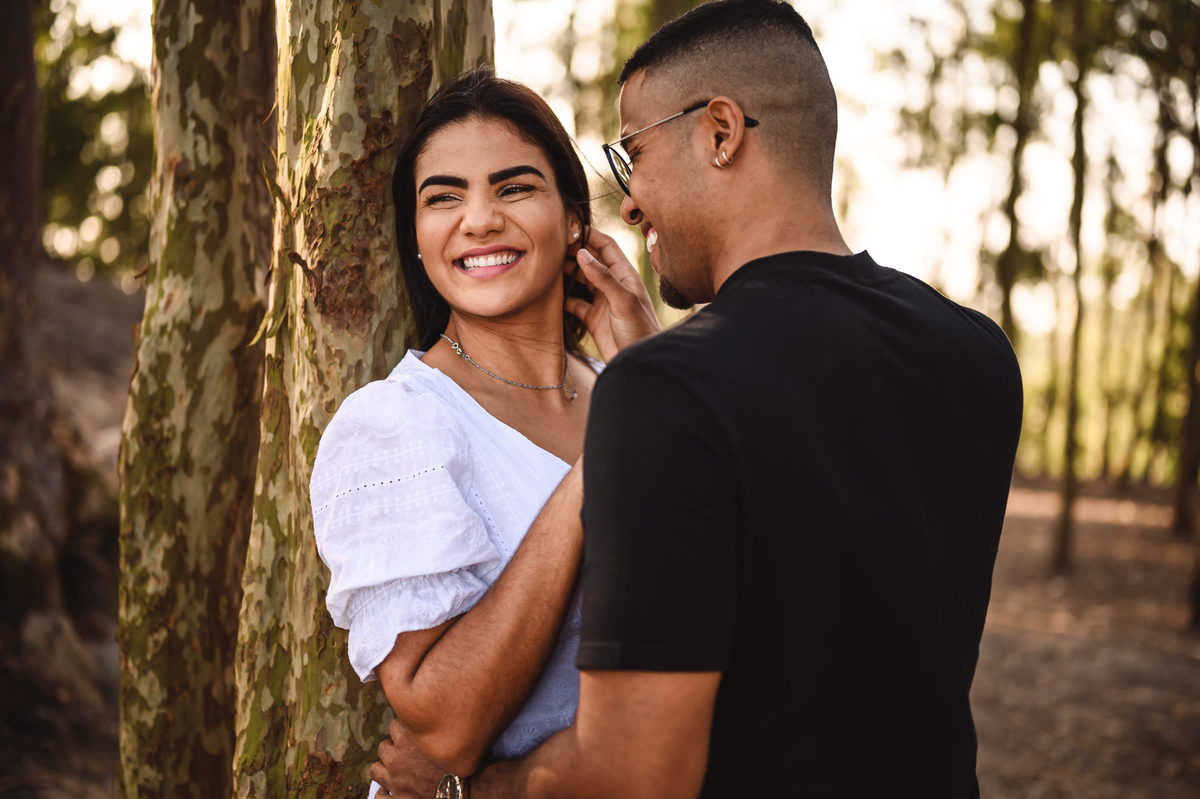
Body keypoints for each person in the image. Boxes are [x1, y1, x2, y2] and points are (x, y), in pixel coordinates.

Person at [371, 0, 1025, 797]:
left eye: (633, 155)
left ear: (721, 132)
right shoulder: (977, 352)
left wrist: (477, 789)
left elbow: (633, 769)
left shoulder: (665, 389)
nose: (632, 199)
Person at [307, 67, 659, 798]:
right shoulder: (396, 424)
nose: (479, 219)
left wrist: (654, 381)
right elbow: (445, 726)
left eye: (513, 186)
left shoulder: (627, 383)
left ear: (572, 220)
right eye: (444, 197)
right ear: (416, 234)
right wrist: (609, 453)